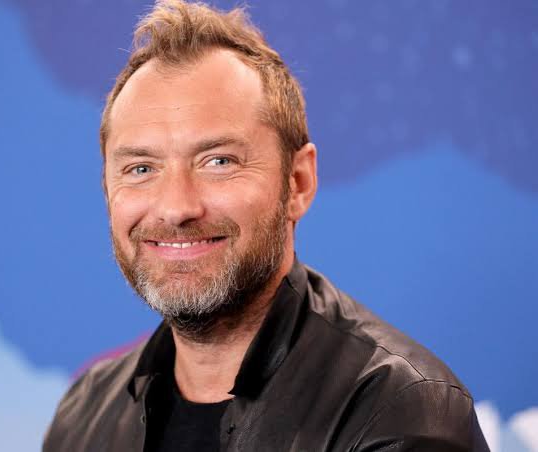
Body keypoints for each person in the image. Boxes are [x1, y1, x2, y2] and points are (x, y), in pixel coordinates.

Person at [43, 1, 489, 450]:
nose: (176, 207)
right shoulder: (83, 415)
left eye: (219, 161)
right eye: (141, 168)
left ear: (298, 182)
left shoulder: (399, 412)